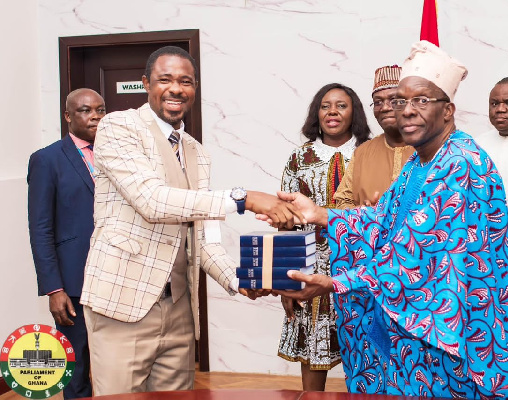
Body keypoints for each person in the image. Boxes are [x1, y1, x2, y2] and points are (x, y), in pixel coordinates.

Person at [265, 41, 508, 398]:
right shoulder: (419, 164)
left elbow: (416, 251)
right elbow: (382, 220)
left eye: (421, 100)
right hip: (422, 331)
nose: (405, 110)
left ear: (448, 110)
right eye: (399, 101)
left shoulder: (461, 164)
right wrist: (318, 214)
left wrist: (333, 283)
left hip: (460, 336)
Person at [80, 46, 302, 395]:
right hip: (122, 304)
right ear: (145, 84)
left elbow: (204, 237)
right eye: (164, 79)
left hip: (180, 312)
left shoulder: (197, 151)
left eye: (186, 81)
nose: (176, 89)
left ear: (194, 89)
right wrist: (244, 198)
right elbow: (152, 201)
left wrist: (240, 281)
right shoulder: (118, 126)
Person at [278, 83, 370, 391]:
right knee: (313, 355)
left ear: (354, 112)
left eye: (341, 105)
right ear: (316, 113)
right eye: (325, 105)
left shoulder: (370, 152)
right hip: (311, 266)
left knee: (368, 353)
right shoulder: (299, 158)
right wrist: (286, 282)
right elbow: (285, 222)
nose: (332, 111)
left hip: (362, 267)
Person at [27, 88, 106, 399]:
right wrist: (54, 289)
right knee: (75, 366)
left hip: (115, 277)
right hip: (73, 281)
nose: (96, 116)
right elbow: (40, 228)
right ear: (68, 116)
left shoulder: (118, 155)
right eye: (86, 110)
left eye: (101, 109)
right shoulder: (47, 159)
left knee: (116, 363)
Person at [334, 65, 414, 208]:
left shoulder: (433, 150)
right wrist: (362, 213)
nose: (384, 107)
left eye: (394, 100)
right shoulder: (362, 153)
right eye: (378, 102)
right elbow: (343, 201)